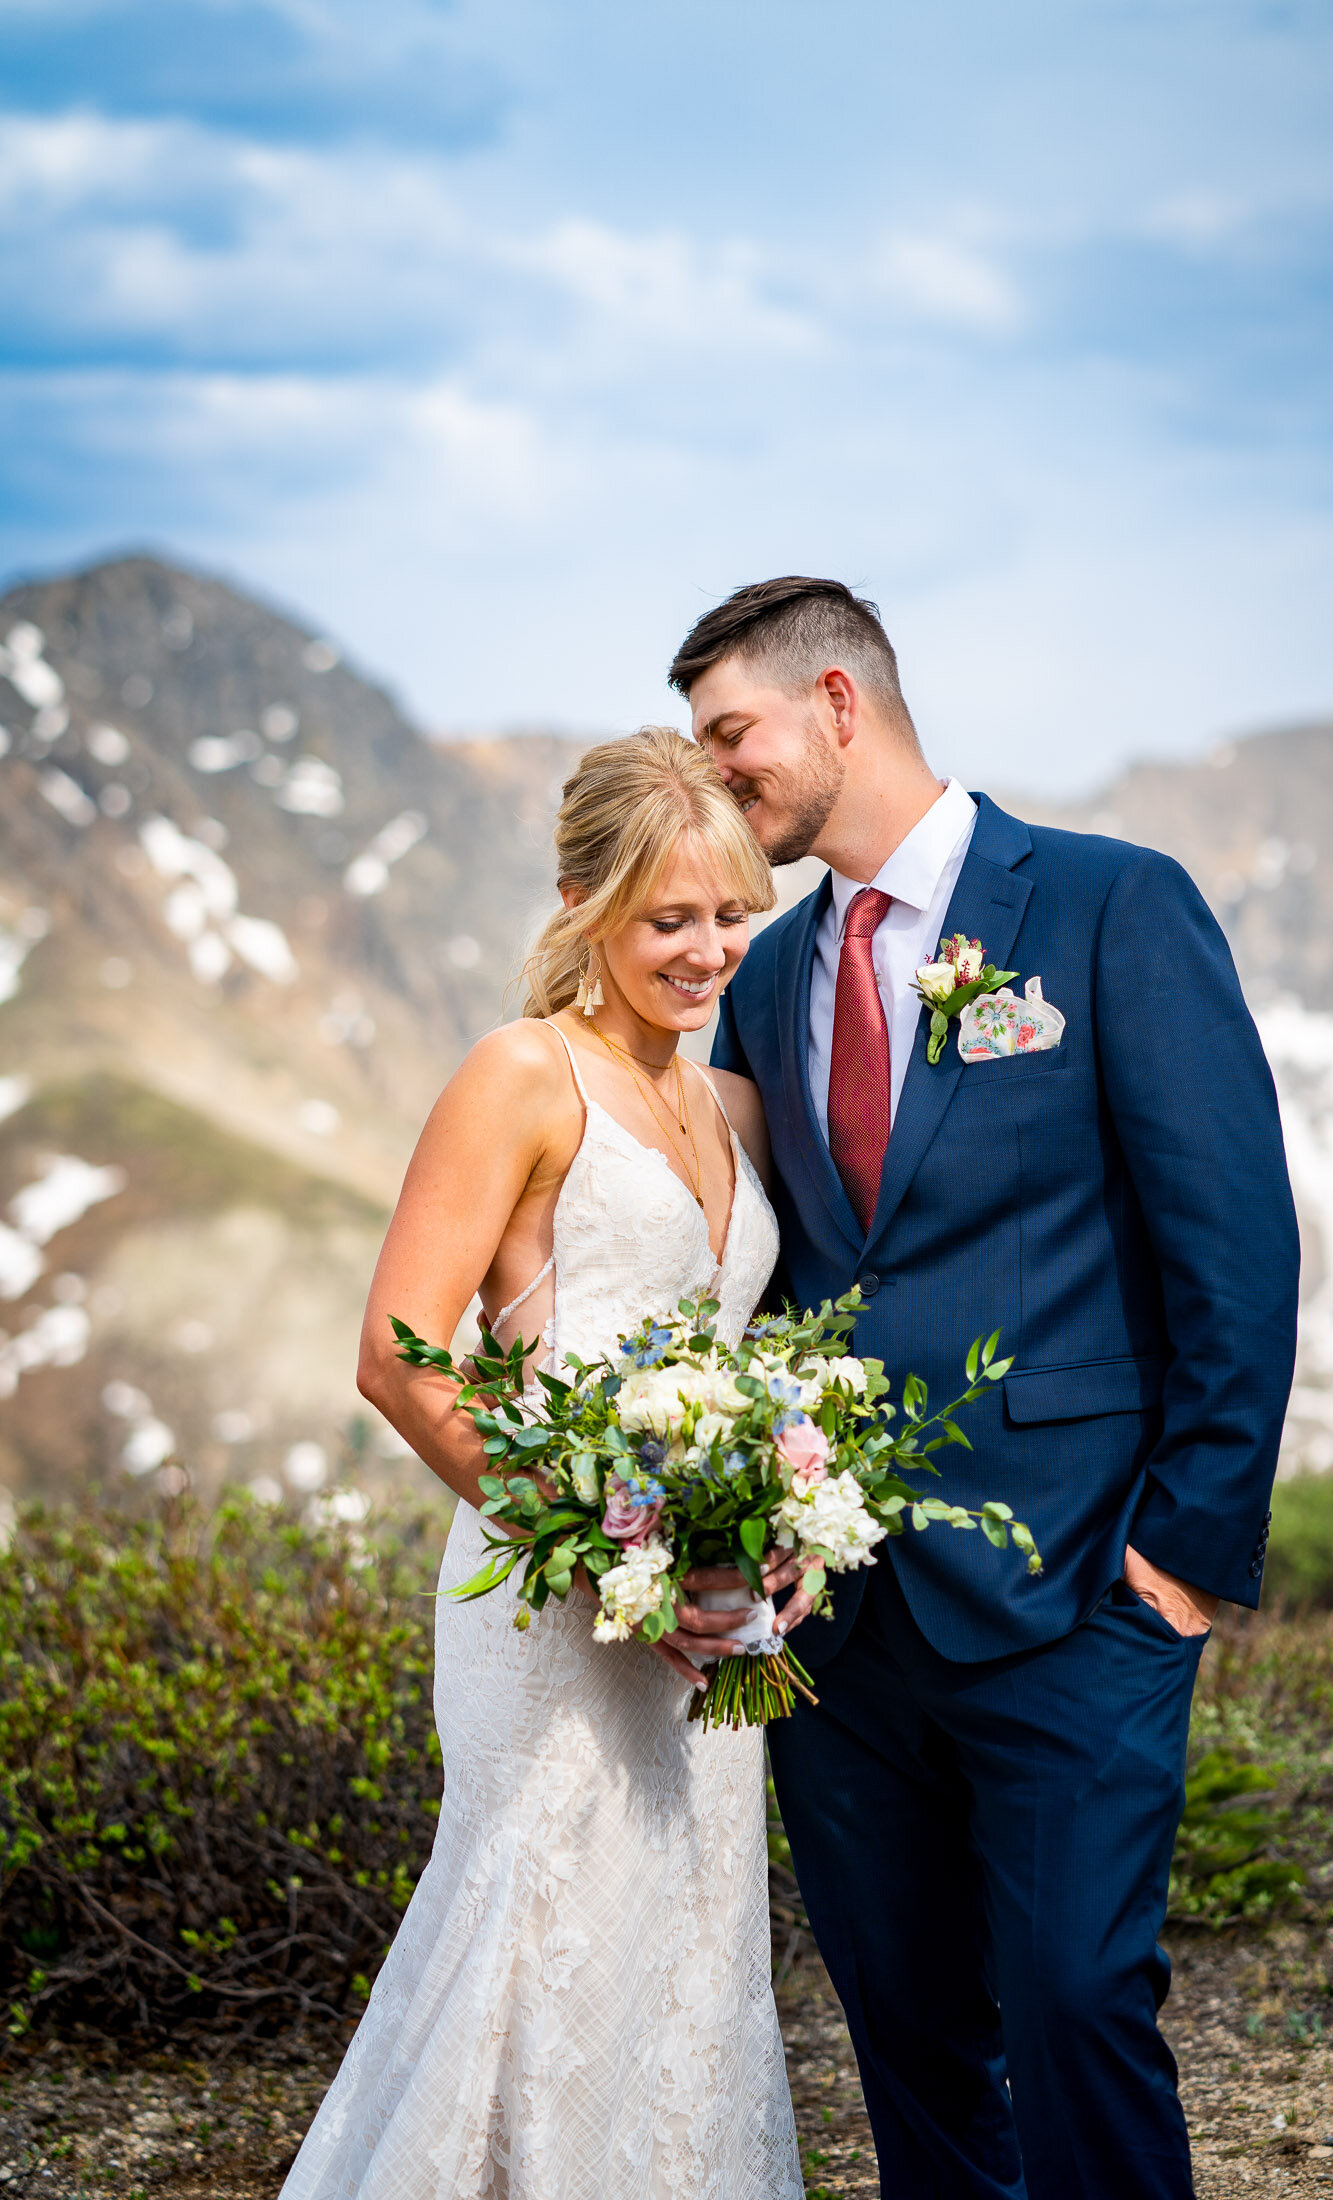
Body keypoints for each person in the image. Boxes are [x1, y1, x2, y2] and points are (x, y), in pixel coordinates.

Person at [677, 578, 1300, 2200]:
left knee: (1081, 1999)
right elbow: (782, 1279)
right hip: (843, 1621)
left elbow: (1231, 1244)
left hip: (1081, 1583)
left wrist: (1182, 1562)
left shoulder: (1109, 907)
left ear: (836, 702)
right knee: (906, 2026)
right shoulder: (767, 977)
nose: (717, 770)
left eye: (730, 733)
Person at [281, 728, 804, 2200]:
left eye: (729, 915)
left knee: (694, 1942)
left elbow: (754, 1370)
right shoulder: (521, 1075)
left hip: (705, 1626)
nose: (707, 951)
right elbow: (397, 1353)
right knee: (541, 1923)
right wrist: (606, 1552)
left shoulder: (733, 1107)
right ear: (585, 901)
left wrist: (757, 1542)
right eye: (669, 919)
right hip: (545, 1604)